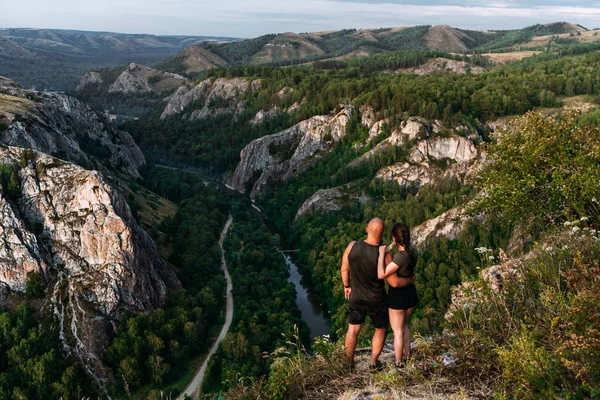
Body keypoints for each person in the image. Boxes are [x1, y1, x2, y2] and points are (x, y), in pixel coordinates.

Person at [340, 218, 414, 372]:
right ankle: (373, 362)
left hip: (356, 296)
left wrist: (347, 286)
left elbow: (344, 269)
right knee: (380, 328)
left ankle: (348, 363)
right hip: (377, 299)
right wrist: (409, 280)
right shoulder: (385, 255)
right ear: (384, 233)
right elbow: (394, 283)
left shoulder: (352, 246)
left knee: (353, 329)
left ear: (367, 229)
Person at [378, 223, 418, 368]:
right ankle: (408, 356)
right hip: (411, 294)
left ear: (394, 238)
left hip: (398, 297)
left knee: (397, 331)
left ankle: (398, 362)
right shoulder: (414, 251)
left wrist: (382, 254)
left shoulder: (400, 257)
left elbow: (381, 274)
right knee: (404, 325)